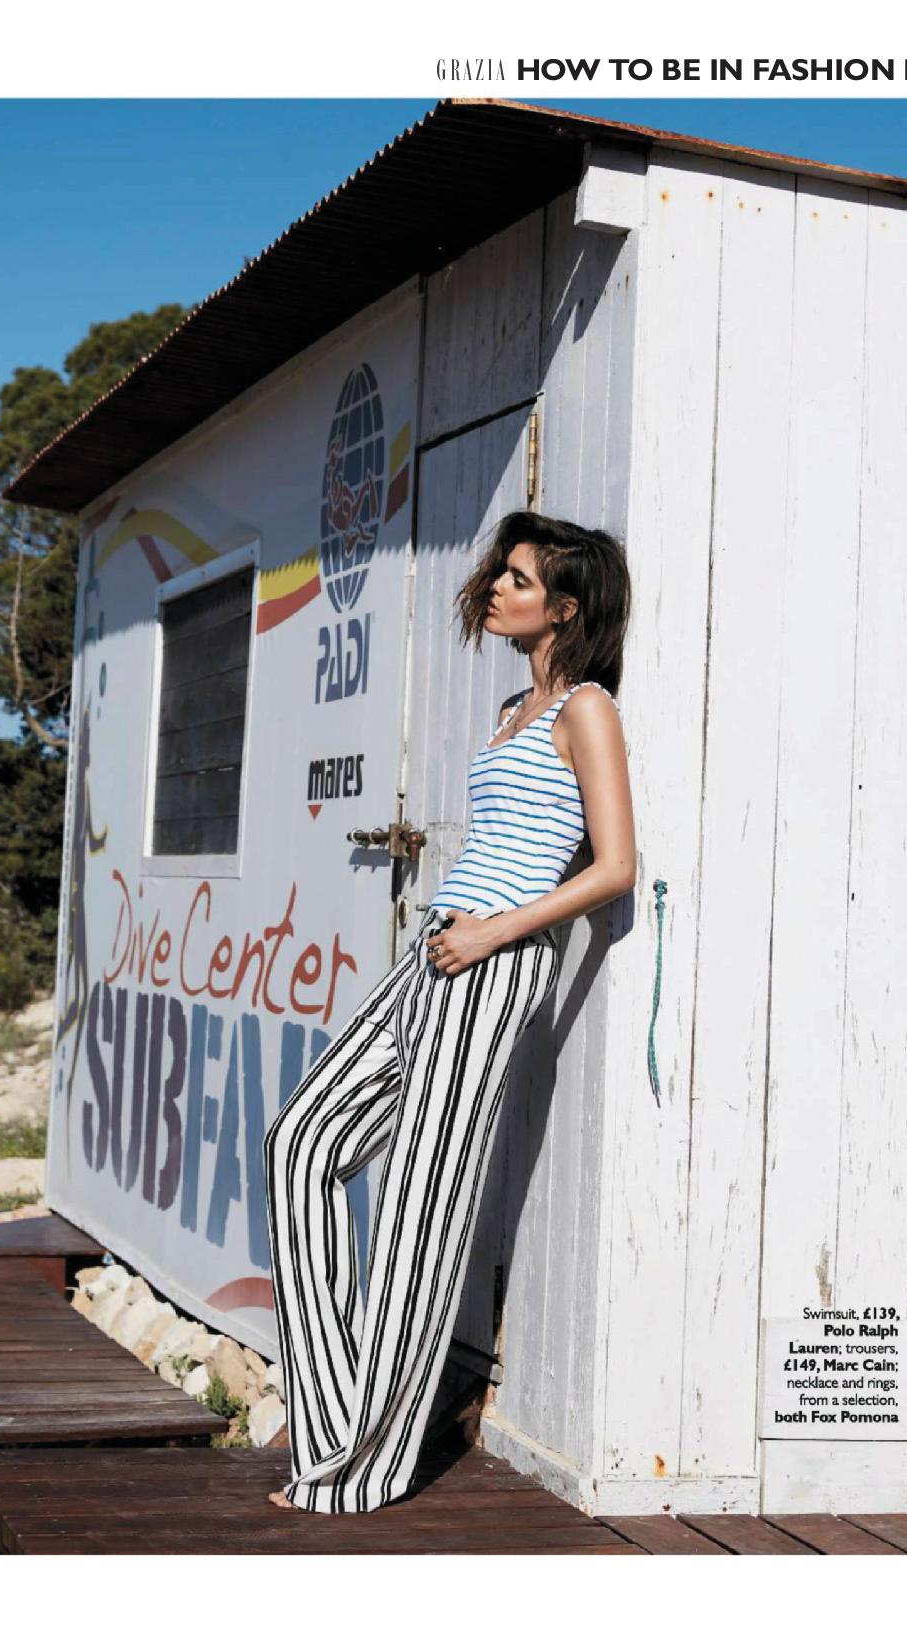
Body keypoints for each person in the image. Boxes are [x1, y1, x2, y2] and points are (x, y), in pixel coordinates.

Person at [263, 510, 637, 1514]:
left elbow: (613, 866)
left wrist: (496, 933)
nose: (499, 590)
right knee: (300, 1141)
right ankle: (333, 1419)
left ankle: (360, 1470)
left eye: (520, 579)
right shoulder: (516, 707)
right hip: (436, 950)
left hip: (492, 959)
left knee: (417, 1216)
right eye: (501, 574)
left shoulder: (587, 711)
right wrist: (454, 932)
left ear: (567, 609)